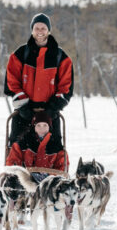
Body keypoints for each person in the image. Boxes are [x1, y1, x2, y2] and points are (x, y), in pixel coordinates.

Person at [4, 13, 73, 156]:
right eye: (37, 28)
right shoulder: (20, 54)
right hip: (24, 113)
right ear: (32, 30)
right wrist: (23, 107)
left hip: (50, 113)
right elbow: (12, 82)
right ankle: (14, 176)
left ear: (49, 30)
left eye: (43, 28)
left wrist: (52, 110)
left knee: (52, 151)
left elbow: (66, 87)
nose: (40, 31)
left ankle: (53, 177)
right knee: (18, 148)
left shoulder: (61, 57)